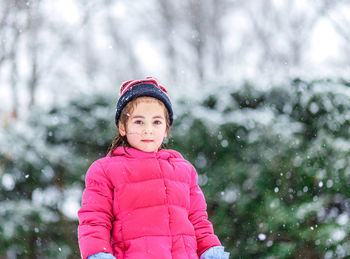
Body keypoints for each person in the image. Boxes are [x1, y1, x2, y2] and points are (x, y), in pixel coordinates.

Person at [78, 77, 230, 259]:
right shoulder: (104, 170)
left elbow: (198, 220)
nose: (148, 129)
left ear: (166, 129)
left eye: (156, 122)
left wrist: (209, 248)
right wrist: (97, 253)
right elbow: (94, 220)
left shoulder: (183, 170)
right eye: (139, 122)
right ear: (122, 127)